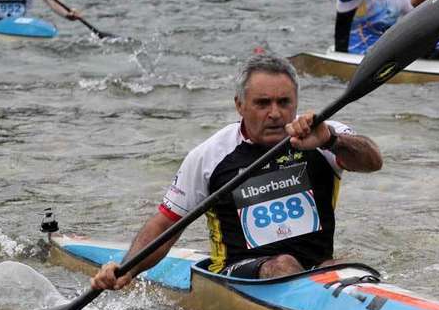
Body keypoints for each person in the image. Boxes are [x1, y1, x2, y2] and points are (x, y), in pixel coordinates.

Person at [90, 53, 383, 286]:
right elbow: (165, 225)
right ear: (239, 105)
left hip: (316, 270)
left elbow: (373, 161)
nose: (275, 113)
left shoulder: (322, 134)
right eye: (262, 103)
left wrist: (331, 140)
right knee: (283, 265)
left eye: (284, 102)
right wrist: (128, 268)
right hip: (239, 273)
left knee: (341, 268)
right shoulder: (210, 156)